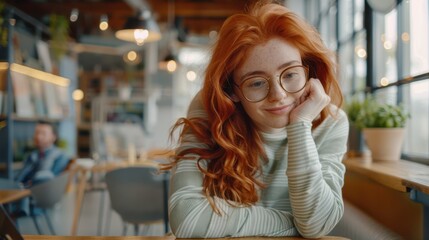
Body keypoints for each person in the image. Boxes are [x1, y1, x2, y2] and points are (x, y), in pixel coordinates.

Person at [163, 0, 349, 238]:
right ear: (232, 90)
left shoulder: (331, 123)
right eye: (257, 83)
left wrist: (300, 126)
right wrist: (292, 225)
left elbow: (316, 224)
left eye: (291, 74)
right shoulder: (210, 110)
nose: (278, 95)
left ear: (309, 71)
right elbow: (187, 219)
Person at [15, 120, 70, 188]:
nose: (38, 137)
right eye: (37, 133)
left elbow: (51, 180)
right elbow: (19, 178)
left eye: (43, 133)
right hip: (21, 190)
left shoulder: (60, 156)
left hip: (41, 193)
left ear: (53, 137)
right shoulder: (32, 155)